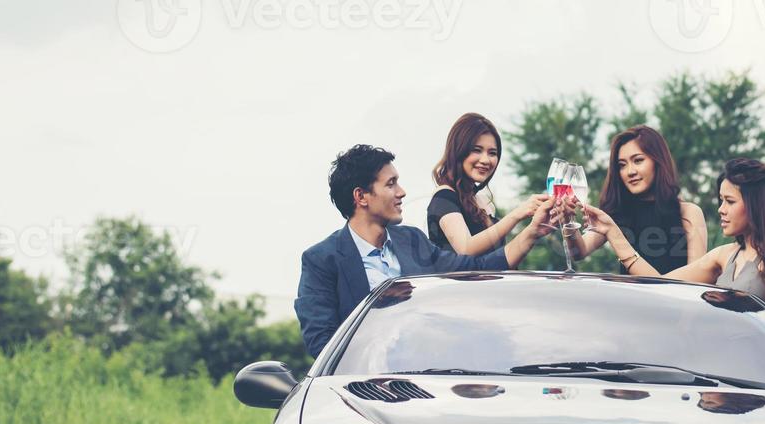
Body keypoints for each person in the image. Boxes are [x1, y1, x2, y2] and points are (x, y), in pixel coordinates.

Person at [295, 143, 557, 358]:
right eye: (391, 184)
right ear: (361, 196)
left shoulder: (412, 241)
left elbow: (471, 270)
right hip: (364, 389)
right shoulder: (321, 260)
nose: (402, 192)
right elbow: (323, 344)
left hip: (428, 381)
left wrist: (530, 233)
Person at [581, 157, 765, 350]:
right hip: (721, 380)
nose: (721, 210)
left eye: (729, 201)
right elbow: (660, 285)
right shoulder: (724, 256)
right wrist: (613, 233)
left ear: (755, 205)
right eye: (720, 200)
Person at [565, 125, 707, 274]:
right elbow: (578, 252)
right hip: (627, 298)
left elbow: (695, 284)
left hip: (674, 297)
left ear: (658, 162)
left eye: (638, 160)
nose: (630, 172)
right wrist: (568, 221)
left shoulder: (688, 213)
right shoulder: (618, 212)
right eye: (622, 165)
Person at [428, 112, 549, 255]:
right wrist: (518, 213)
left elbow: (498, 259)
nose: (486, 160)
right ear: (458, 150)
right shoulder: (444, 197)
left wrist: (534, 229)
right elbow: (466, 249)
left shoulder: (484, 202)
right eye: (477, 150)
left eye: (492, 153)